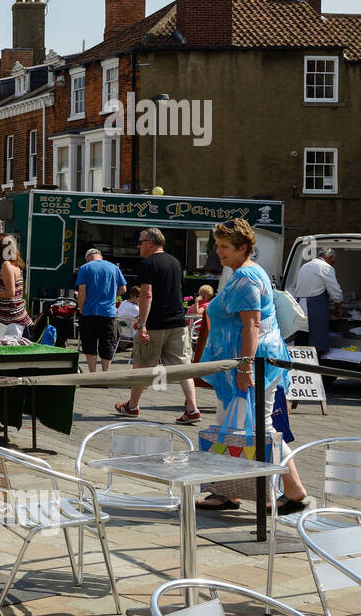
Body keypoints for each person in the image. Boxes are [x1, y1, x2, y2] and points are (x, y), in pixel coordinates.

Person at [196, 219, 309, 512]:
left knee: (260, 427)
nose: (218, 252)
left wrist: (245, 369)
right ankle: (227, 490)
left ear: (242, 248)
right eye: (217, 245)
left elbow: (252, 325)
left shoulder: (245, 278)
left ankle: (292, 491)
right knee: (237, 425)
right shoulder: (246, 273)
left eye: (224, 247)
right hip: (250, 362)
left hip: (251, 365)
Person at [114, 227, 202, 424]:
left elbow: (146, 294)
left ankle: (133, 406)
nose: (138, 246)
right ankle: (192, 408)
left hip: (156, 322)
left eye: (141, 241)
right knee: (183, 367)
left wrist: (142, 324)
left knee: (141, 366)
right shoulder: (175, 262)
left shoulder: (148, 264)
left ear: (151, 243)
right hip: (178, 322)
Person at [76, 248, 127, 373]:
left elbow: (82, 291)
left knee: (89, 343)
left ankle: (93, 375)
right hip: (108, 312)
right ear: (101, 256)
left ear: (88, 258)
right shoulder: (114, 268)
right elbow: (123, 289)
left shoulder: (85, 268)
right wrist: (111, 296)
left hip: (89, 311)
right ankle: (105, 374)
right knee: (107, 343)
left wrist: (81, 308)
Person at [293, 247, 343, 359]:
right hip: (315, 310)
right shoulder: (326, 267)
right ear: (330, 258)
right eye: (333, 261)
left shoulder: (305, 266)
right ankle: (316, 369)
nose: (333, 264)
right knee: (316, 345)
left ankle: (300, 369)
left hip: (300, 308)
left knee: (302, 342)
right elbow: (335, 292)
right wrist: (339, 308)